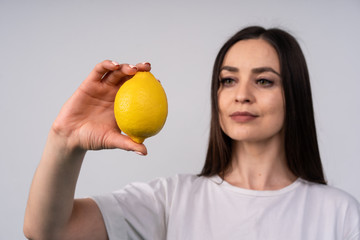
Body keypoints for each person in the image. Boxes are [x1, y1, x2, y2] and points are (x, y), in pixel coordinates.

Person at [24, 26, 360, 240]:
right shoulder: (171, 201)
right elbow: (47, 231)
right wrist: (65, 140)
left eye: (264, 80)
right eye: (228, 80)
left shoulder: (339, 213)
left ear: (294, 94)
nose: (241, 94)